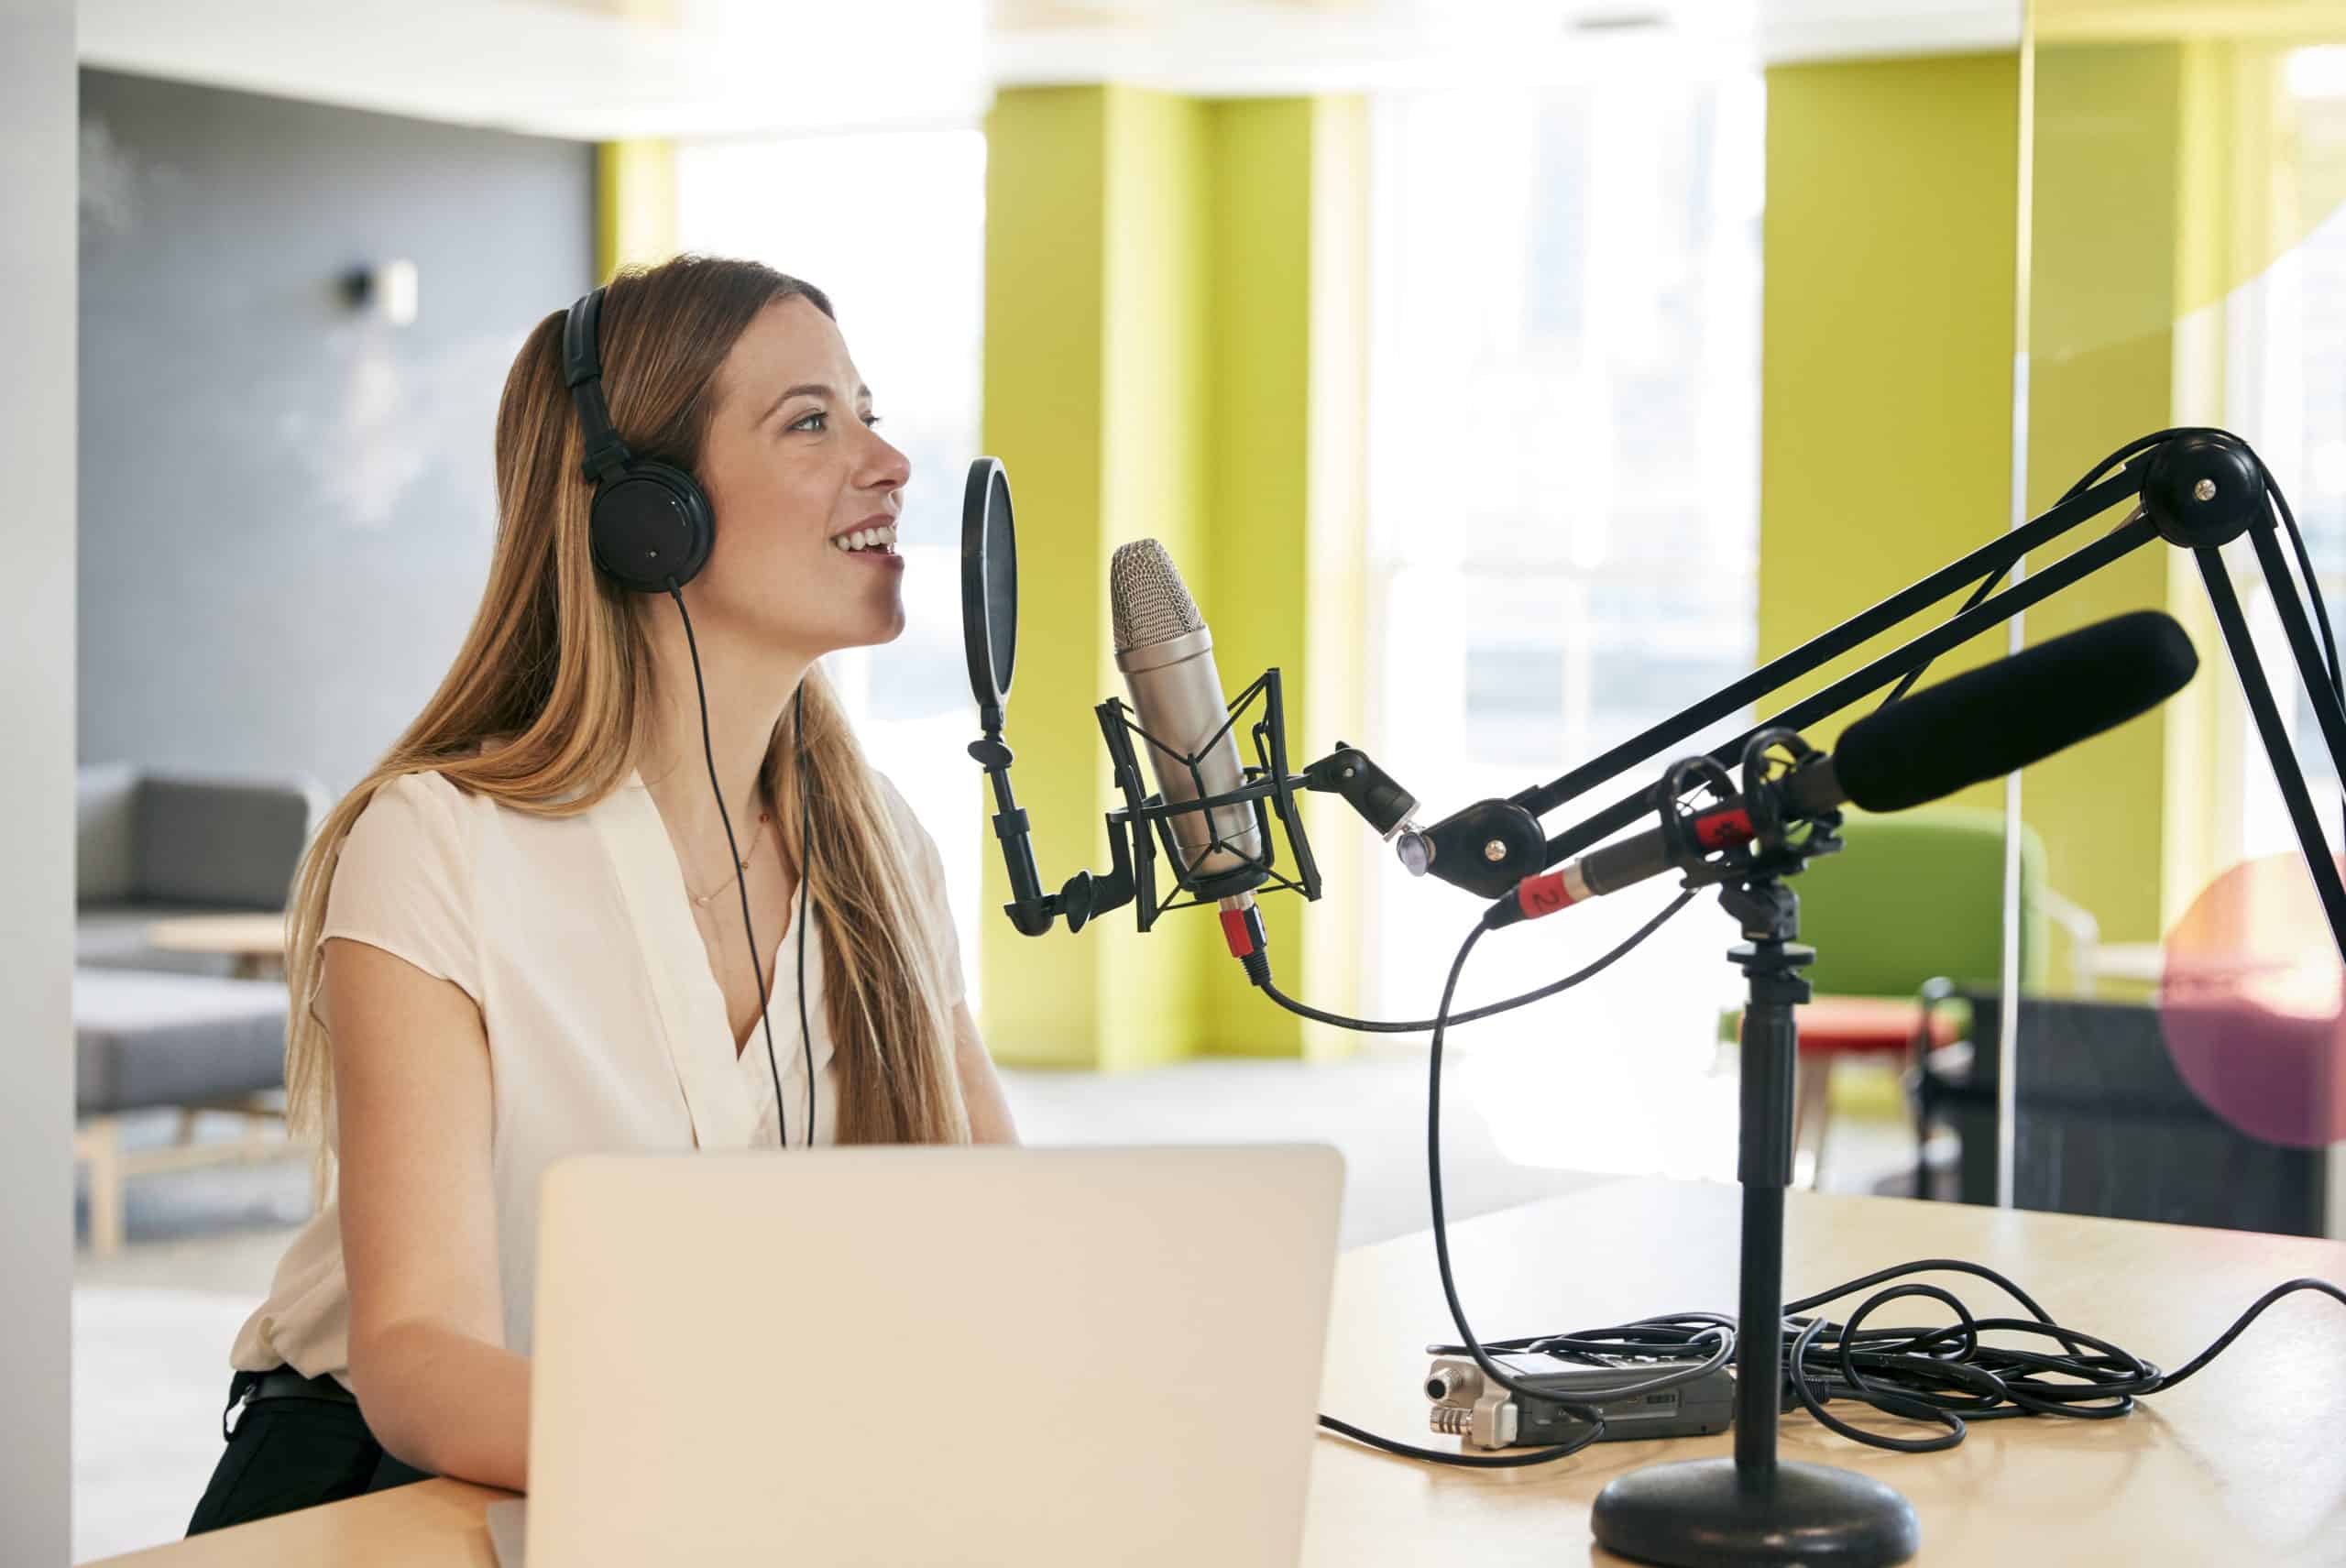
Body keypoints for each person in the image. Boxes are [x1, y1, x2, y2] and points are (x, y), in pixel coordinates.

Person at [186, 254, 1016, 1536]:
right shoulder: (437, 843)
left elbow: (1009, 1244)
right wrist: (763, 1467)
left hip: (712, 1499)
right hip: (389, 1497)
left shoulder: (881, 850)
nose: (891, 463)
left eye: (871, 412)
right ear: (648, 514)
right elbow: (416, 1357)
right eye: (811, 421)